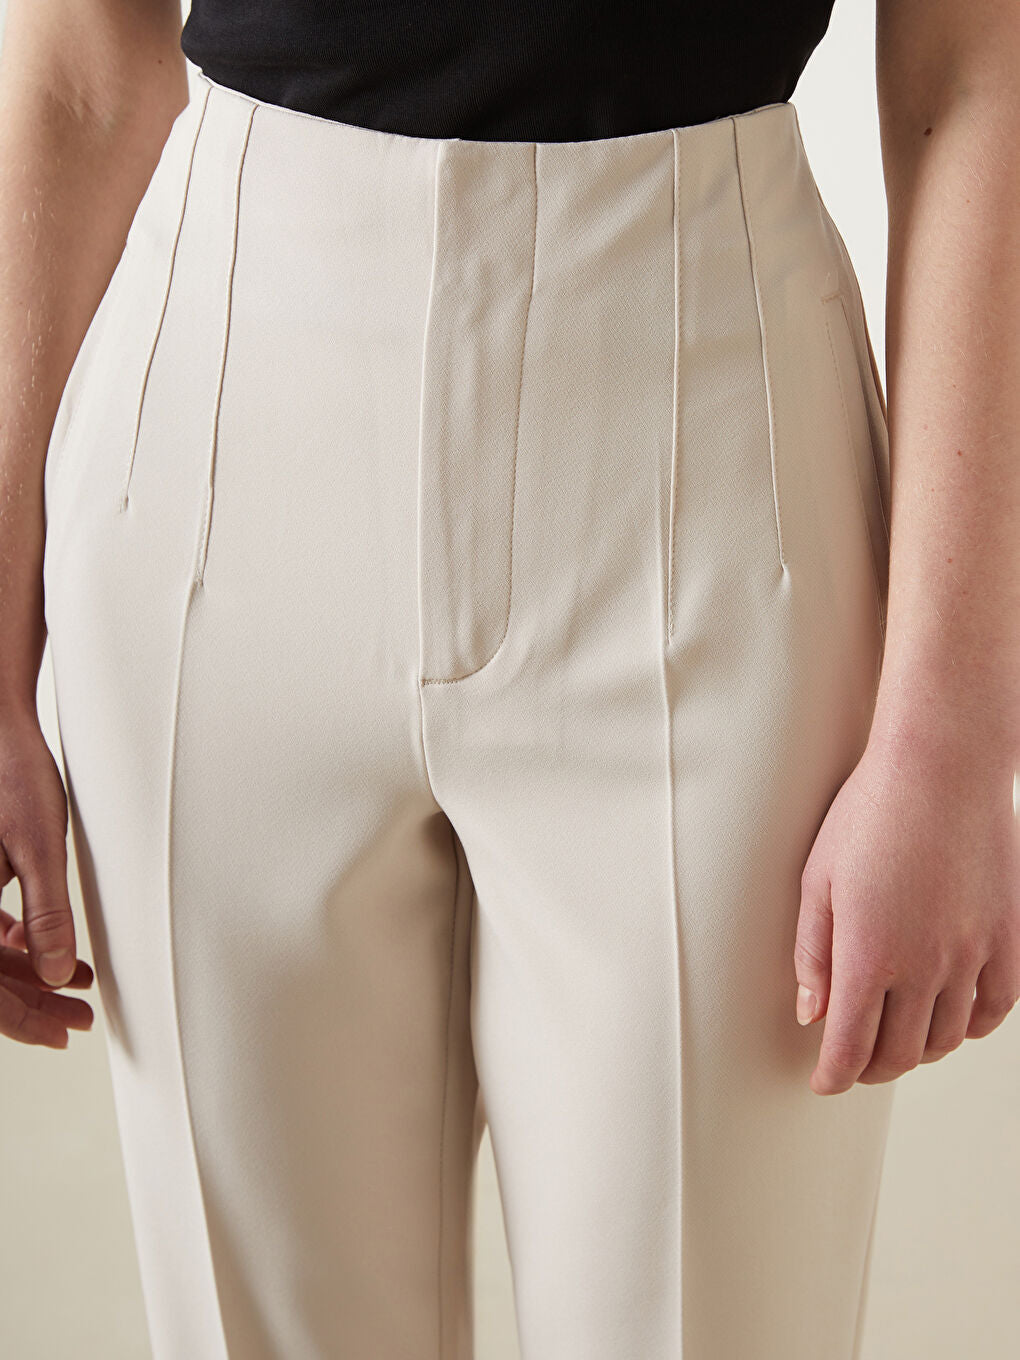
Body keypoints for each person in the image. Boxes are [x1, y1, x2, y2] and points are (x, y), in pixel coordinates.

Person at [1, 1, 1016, 1356]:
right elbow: (79, 72)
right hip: (225, 431)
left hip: (707, 433)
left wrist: (951, 737)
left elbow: (976, 72)